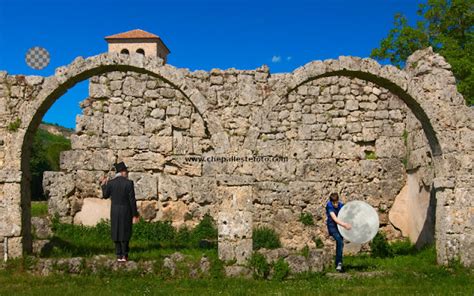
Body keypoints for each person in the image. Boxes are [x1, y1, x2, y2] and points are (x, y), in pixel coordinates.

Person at [100, 161, 139, 262]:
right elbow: (132, 200)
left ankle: (118, 255)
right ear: (122, 172)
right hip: (126, 210)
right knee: (125, 231)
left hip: (115, 210)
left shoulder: (111, 183)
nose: (127, 173)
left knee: (116, 231)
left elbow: (105, 195)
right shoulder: (129, 183)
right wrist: (135, 214)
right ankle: (125, 255)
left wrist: (104, 185)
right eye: (126, 171)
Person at [325, 192, 351, 272]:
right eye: (334, 203)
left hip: (340, 227)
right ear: (331, 202)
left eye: (336, 202)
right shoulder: (329, 205)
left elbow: (347, 214)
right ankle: (339, 263)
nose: (335, 204)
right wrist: (344, 225)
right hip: (332, 226)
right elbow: (334, 218)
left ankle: (338, 263)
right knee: (339, 241)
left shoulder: (341, 205)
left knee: (340, 243)